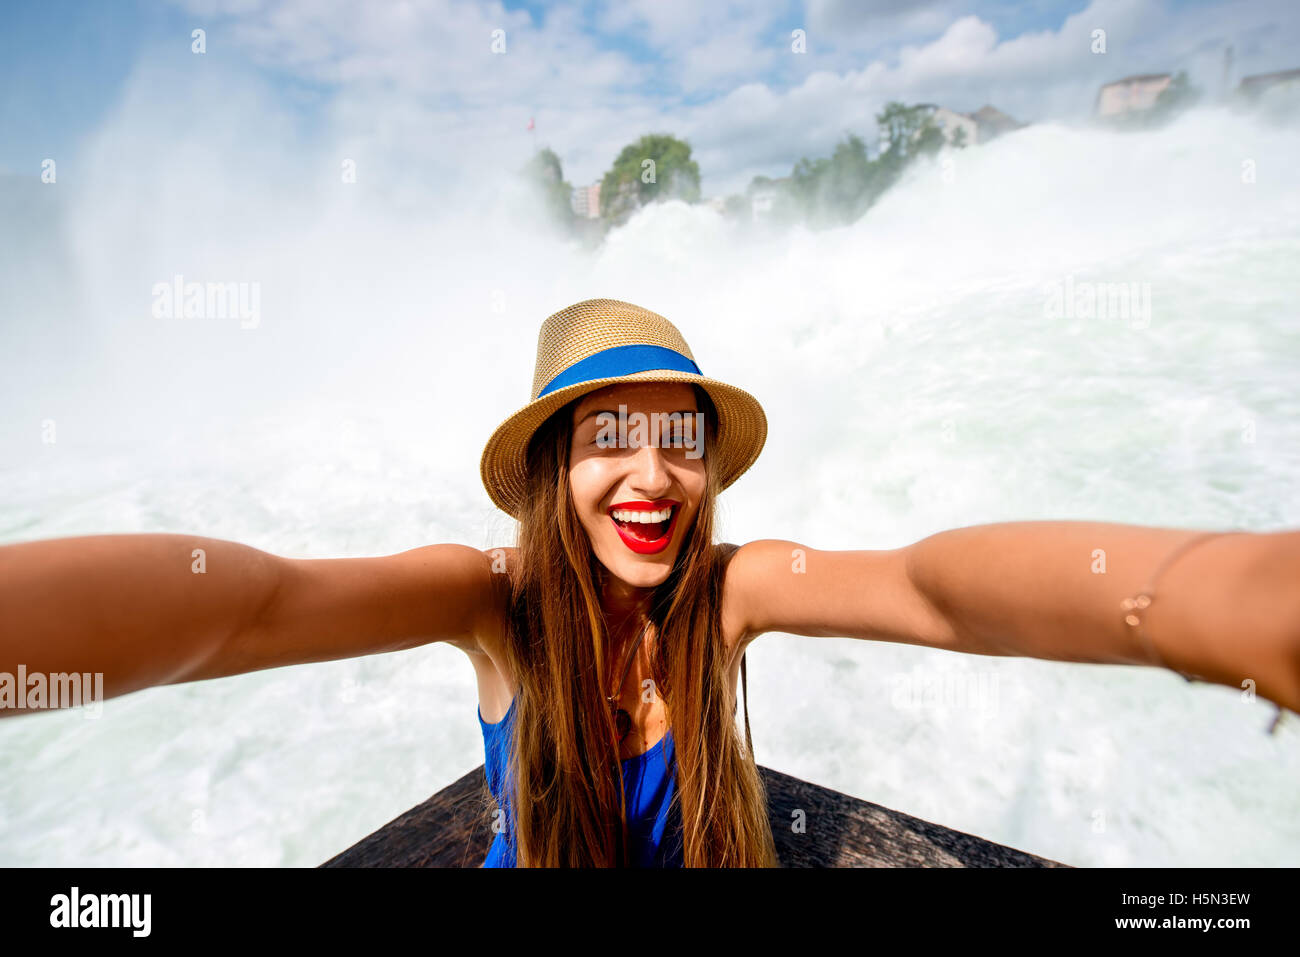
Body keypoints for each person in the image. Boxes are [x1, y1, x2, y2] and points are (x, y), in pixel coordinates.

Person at [1, 297, 1296, 868]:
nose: (653, 468)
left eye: (681, 432)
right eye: (607, 432)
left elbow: (930, 586)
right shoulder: (486, 599)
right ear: (549, 464)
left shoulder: (727, 592)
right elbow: (252, 603)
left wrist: (1206, 599)